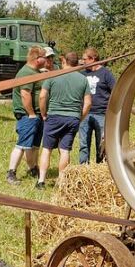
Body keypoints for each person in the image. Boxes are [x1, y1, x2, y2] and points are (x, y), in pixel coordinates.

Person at [37, 51, 91, 188]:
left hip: (54, 116)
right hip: (72, 118)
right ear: (77, 63)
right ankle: (61, 182)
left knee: (47, 149)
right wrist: (80, 117)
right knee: (65, 150)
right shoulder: (83, 79)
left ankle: (41, 181)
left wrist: (43, 114)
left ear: (64, 62)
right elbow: (88, 103)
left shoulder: (53, 75)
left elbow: (42, 96)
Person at [6, 47, 45, 184]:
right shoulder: (27, 73)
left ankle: (33, 168)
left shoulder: (35, 72)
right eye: (44, 57)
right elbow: (25, 94)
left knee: (34, 146)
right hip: (27, 115)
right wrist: (31, 114)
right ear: (37, 59)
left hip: (36, 115)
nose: (46, 60)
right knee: (22, 145)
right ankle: (11, 172)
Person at [77, 48, 115, 165]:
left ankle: (101, 167)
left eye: (84, 59)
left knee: (102, 144)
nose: (82, 62)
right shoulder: (82, 74)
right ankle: (83, 167)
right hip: (85, 114)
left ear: (92, 59)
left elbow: (115, 91)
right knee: (83, 143)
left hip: (101, 114)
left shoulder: (106, 73)